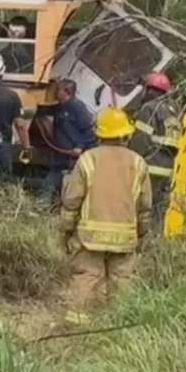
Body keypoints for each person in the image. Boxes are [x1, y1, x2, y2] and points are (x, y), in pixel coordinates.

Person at [58, 107, 152, 325]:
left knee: (87, 277)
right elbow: (144, 205)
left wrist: (66, 229)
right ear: (125, 134)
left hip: (90, 238)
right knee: (123, 281)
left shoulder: (87, 160)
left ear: (99, 134)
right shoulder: (138, 162)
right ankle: (121, 326)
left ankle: (76, 325)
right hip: (125, 238)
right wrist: (141, 235)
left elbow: (72, 201)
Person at [128, 71, 181, 235]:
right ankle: (157, 240)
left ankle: (141, 238)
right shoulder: (174, 109)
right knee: (159, 208)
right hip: (168, 168)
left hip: (150, 166)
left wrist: (129, 161)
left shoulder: (149, 108)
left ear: (150, 90)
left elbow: (140, 141)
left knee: (143, 206)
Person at [36, 79, 96, 209]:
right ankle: (49, 204)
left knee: (59, 179)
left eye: (59, 89)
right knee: (56, 177)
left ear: (67, 92)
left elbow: (89, 130)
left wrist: (80, 146)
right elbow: (47, 110)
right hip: (61, 153)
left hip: (72, 155)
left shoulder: (77, 107)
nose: (56, 92)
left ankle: (44, 204)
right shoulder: (60, 107)